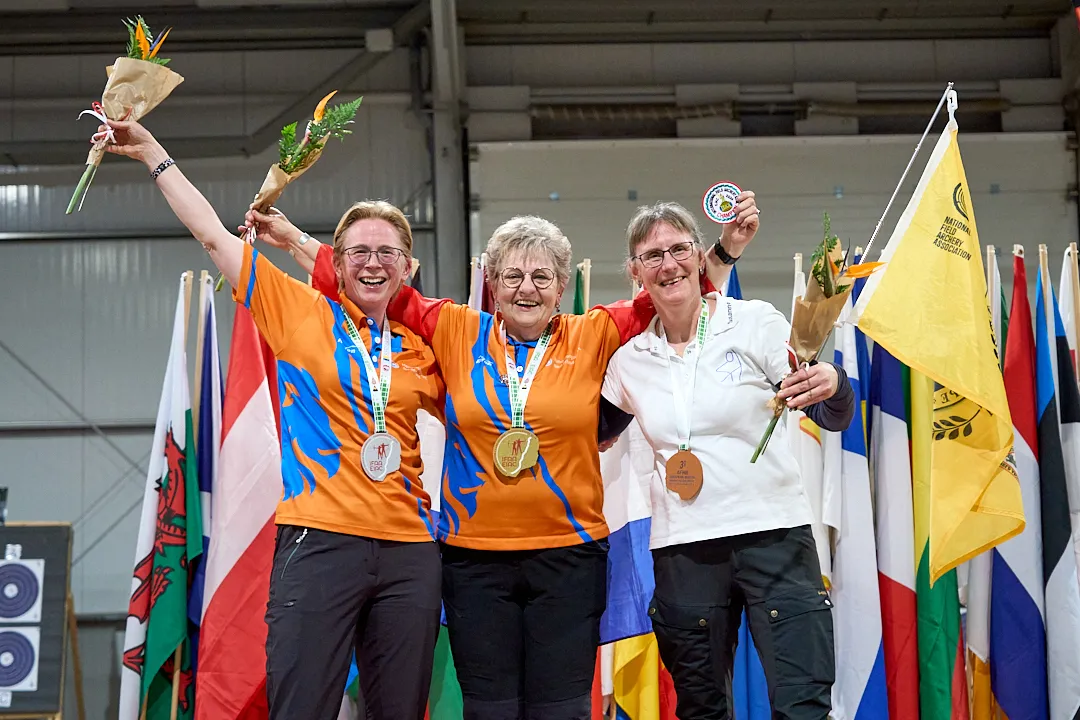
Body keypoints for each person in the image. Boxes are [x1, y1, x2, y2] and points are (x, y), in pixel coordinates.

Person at [244, 196, 760, 720]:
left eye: (541, 276)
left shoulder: (595, 332)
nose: (526, 288)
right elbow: (374, 280)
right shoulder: (455, 330)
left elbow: (673, 292)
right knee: (490, 712)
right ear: (491, 285)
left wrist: (725, 249)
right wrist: (293, 240)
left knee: (560, 711)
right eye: (511, 276)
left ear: (561, 288)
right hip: (473, 563)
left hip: (569, 558)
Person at [100, 119, 446, 720]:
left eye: (387, 253)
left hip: (410, 553)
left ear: (408, 269)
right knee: (302, 707)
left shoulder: (426, 347)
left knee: (400, 710)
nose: (372, 263)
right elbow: (210, 233)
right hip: (319, 542)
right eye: (357, 252)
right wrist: (153, 150)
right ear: (335, 265)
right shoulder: (298, 311)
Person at [600, 202, 854, 720]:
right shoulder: (627, 361)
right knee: (700, 709)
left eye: (677, 250)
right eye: (652, 256)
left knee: (803, 702)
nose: (667, 265)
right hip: (683, 551)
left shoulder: (754, 322)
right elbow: (594, 433)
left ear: (698, 257)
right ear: (635, 271)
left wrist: (834, 383)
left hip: (775, 536)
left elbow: (827, 409)